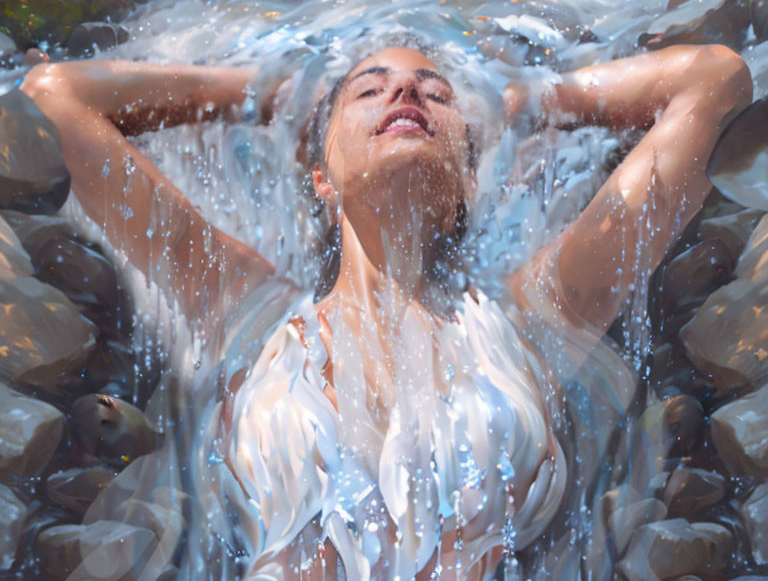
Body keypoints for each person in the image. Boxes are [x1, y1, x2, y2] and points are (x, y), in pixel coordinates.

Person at [20, 41, 751, 580]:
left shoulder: (537, 314)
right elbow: (54, 100)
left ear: (469, 178)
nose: (405, 95)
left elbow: (713, 82)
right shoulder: (246, 310)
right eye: (369, 91)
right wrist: (270, 92)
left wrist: (518, 99)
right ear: (321, 177)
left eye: (434, 94)